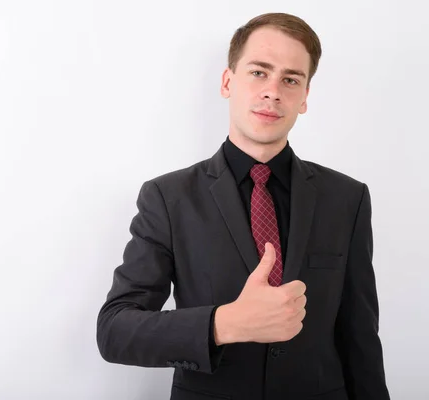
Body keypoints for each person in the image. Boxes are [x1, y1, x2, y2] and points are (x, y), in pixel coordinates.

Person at [96, 12, 390, 400]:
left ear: (304, 98)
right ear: (227, 81)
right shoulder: (167, 198)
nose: (273, 91)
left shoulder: (347, 198)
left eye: (290, 79)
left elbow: (360, 337)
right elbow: (115, 331)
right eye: (258, 72)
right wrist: (224, 324)